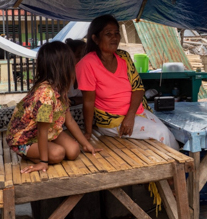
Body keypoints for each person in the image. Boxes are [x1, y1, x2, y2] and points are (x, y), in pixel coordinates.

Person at [76, 15, 178, 149]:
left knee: (168, 134)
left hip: (135, 113)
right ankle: (181, 168)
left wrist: (130, 117)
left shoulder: (124, 56)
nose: (114, 37)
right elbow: (88, 102)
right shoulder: (87, 64)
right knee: (161, 133)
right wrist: (88, 133)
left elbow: (138, 88)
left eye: (116, 33)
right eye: (108, 34)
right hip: (112, 121)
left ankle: (182, 167)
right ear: (95, 38)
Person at [6, 41, 99, 174]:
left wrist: (86, 145)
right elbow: (41, 131)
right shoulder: (46, 94)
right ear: (64, 68)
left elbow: (70, 121)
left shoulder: (60, 90)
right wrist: (43, 162)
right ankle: (33, 155)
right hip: (24, 139)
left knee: (73, 151)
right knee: (58, 154)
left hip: (47, 132)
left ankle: (44, 151)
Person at [65, 39, 86, 106]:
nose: (83, 58)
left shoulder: (89, 74)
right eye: (78, 55)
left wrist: (73, 101)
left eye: (85, 55)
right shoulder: (62, 77)